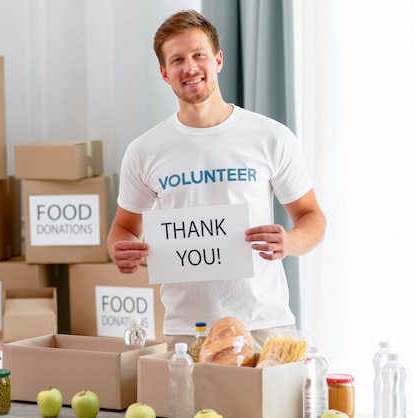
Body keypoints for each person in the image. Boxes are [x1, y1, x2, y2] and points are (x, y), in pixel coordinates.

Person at [107, 9, 326, 351]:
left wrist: (291, 243)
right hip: (187, 330)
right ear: (164, 74)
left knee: (271, 407)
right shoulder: (144, 151)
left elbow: (313, 217)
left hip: (264, 324)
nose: (190, 67)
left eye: (199, 55)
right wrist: (119, 251)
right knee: (184, 408)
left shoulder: (271, 137)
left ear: (218, 60)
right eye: (177, 59)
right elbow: (122, 229)